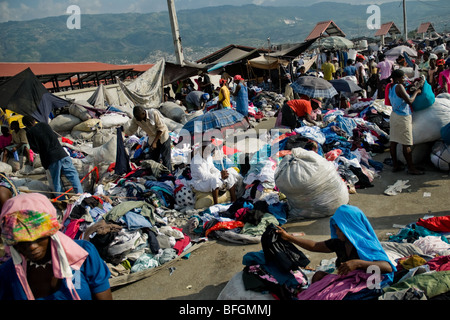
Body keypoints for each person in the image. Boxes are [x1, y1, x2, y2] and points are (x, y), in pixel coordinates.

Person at [0, 192, 112, 300]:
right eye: (22, 241)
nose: (32, 246)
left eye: (39, 237)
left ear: (51, 232)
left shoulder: (81, 255)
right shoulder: (8, 274)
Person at [276, 204, 395, 286]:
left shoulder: (365, 244)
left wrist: (358, 263)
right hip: (346, 281)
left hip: (366, 283)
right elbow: (314, 246)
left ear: (350, 228)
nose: (336, 232)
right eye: (336, 229)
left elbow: (387, 267)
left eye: (340, 229)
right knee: (318, 276)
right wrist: (288, 237)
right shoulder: (339, 242)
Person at [22, 116, 83, 197]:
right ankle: (80, 195)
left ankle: (61, 200)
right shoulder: (45, 125)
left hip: (51, 159)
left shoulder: (30, 133)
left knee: (56, 180)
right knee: (73, 175)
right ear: (34, 120)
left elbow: (35, 149)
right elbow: (54, 136)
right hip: (62, 154)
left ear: (27, 124)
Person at [388, 69, 423, 175]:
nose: (404, 79)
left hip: (394, 115)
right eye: (403, 77)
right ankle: (411, 168)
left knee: (393, 142)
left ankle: (395, 165)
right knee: (406, 143)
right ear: (398, 79)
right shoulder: (399, 86)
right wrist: (417, 92)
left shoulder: (391, 87)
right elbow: (410, 101)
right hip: (402, 117)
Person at [190, 141, 238, 205]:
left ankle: (233, 200)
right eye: (204, 149)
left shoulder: (209, 157)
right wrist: (219, 176)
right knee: (214, 179)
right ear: (200, 150)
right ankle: (216, 204)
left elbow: (212, 168)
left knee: (229, 175)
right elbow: (204, 177)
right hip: (199, 183)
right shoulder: (196, 161)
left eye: (208, 150)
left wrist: (220, 173)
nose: (206, 151)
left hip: (209, 179)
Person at [125, 106, 172, 172]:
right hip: (152, 139)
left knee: (165, 159)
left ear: (143, 113)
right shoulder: (136, 119)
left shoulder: (153, 114)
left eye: (138, 117)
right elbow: (132, 130)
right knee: (154, 159)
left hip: (163, 137)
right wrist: (124, 132)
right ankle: (157, 174)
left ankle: (169, 175)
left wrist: (155, 142)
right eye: (136, 117)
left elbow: (161, 129)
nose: (137, 119)